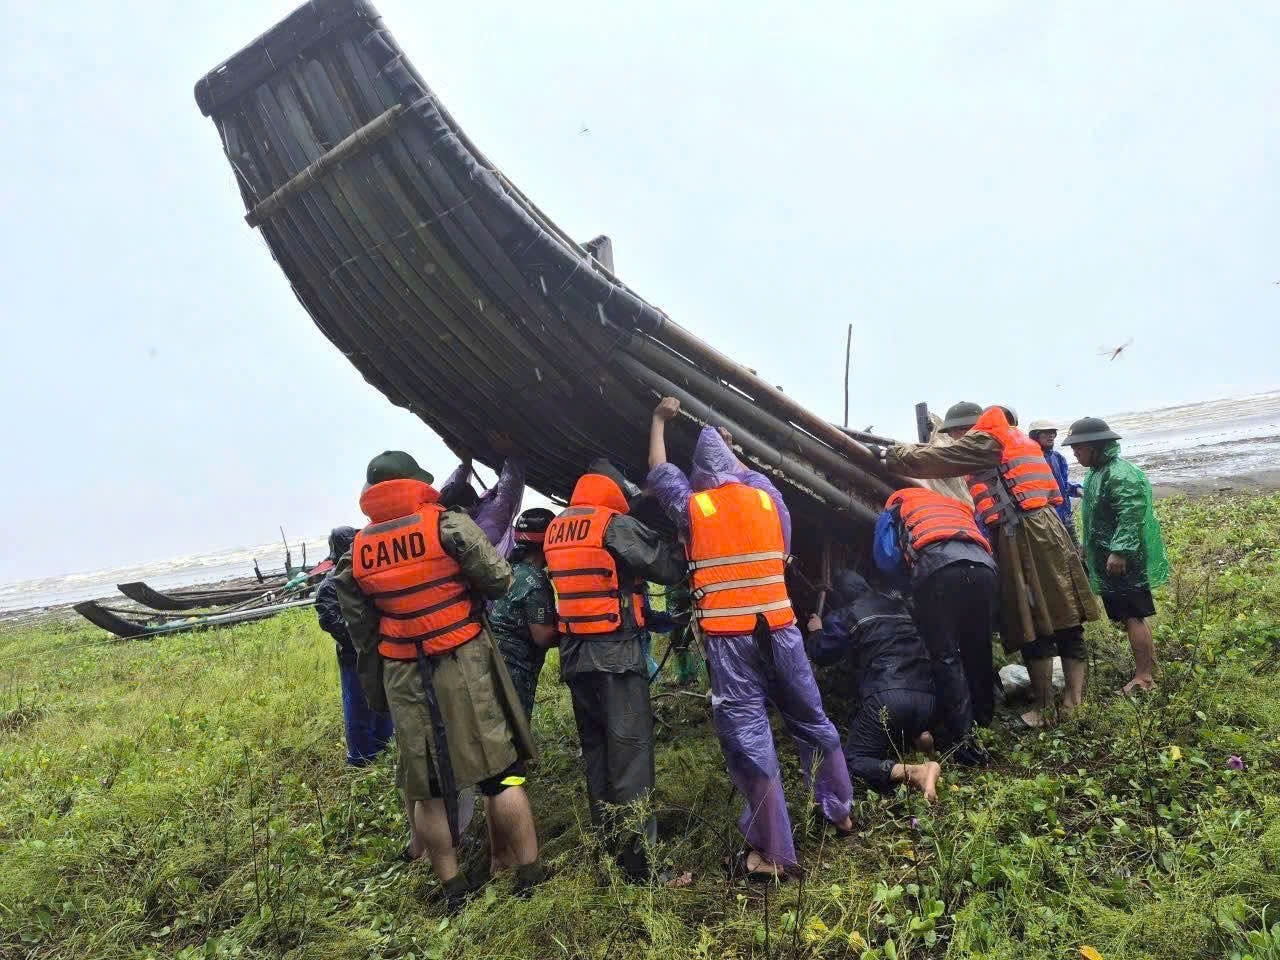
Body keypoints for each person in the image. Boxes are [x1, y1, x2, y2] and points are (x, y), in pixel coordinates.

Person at [648, 398, 854, 879]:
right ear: (737, 465)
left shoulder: (692, 506)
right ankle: (840, 810)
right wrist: (730, 446)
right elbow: (747, 479)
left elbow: (659, 471)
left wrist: (659, 421)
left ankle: (772, 853)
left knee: (749, 738)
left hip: (730, 640)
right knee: (810, 718)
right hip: (781, 631)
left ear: (697, 474)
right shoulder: (767, 495)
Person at [333, 451, 545, 909]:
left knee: (426, 786)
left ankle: (452, 888)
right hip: (463, 663)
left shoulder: (358, 552)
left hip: (404, 672)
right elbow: (500, 580)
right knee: (501, 776)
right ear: (414, 483)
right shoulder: (445, 526)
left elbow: (361, 629)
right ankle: (530, 874)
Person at [884, 405, 1099, 728]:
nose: (954, 438)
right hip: (1048, 527)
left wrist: (892, 455)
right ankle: (1073, 702)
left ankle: (1043, 707)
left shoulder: (985, 441)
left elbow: (936, 460)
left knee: (1033, 618)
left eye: (955, 432)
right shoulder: (1015, 438)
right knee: (1065, 614)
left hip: (1023, 533)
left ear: (969, 427)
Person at [543, 460, 685, 882]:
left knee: (598, 756)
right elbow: (668, 569)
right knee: (630, 760)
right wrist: (681, 536)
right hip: (615, 657)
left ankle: (609, 850)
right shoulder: (612, 525)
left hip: (575, 656)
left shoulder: (558, 527)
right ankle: (642, 868)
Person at [806, 570, 942, 801]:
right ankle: (921, 735)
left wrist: (816, 631)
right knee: (899, 722)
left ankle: (916, 772)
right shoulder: (900, 607)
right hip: (928, 695)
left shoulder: (847, 614)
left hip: (887, 695)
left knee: (853, 761)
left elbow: (823, 653)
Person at [876, 487, 999, 739]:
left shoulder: (895, 507)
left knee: (945, 654)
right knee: (978, 645)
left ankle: (962, 736)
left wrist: (906, 587)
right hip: (984, 567)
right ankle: (985, 718)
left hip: (937, 569)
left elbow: (886, 557)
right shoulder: (953, 504)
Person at [1065, 417, 1169, 694]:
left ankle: (1145, 677)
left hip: (1125, 560)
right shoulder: (1098, 472)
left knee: (1134, 614)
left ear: (1096, 446)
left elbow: (1131, 514)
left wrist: (1120, 551)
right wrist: (1088, 547)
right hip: (1109, 558)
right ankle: (1147, 666)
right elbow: (1097, 518)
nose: (1075, 453)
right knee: (1127, 615)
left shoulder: (1119, 473)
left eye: (1079, 447)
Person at [316, 525, 394, 766]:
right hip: (355, 656)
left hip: (378, 649)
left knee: (384, 698)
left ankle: (383, 745)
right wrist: (362, 640)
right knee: (359, 706)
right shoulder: (329, 586)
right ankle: (361, 757)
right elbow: (331, 621)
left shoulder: (366, 575)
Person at [489, 508, 559, 722]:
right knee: (514, 732)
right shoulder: (536, 582)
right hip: (515, 669)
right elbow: (543, 636)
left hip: (490, 658)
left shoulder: (509, 569)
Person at [438, 448, 527, 558]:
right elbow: (508, 492)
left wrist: (466, 464)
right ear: (475, 502)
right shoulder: (486, 524)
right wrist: (514, 455)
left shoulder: (448, 521)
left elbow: (454, 491)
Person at [1027, 420, 1083, 535]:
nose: (1051, 435)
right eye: (1046, 432)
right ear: (1034, 435)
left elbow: (1062, 484)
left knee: (1074, 550)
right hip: (1045, 521)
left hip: (1065, 516)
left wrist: (1076, 489)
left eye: (1053, 432)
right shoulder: (1028, 460)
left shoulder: (1058, 457)